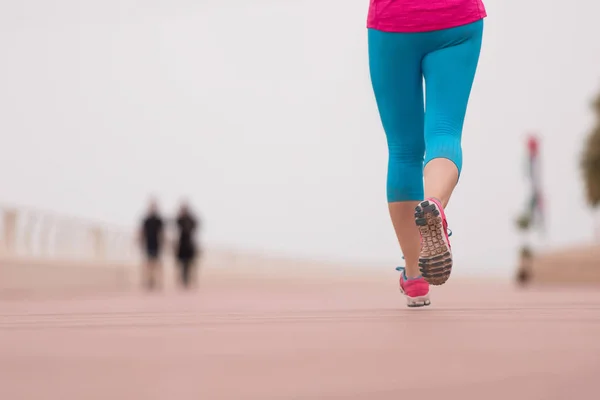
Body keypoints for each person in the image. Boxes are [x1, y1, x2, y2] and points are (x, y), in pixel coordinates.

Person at [367, 1, 487, 307]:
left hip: (393, 22)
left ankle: (414, 276)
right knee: (444, 133)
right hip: (457, 19)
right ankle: (434, 202)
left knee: (404, 150)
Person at [139, 199, 164, 290]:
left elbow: (161, 233)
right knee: (148, 264)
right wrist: (140, 241)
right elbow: (142, 232)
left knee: (157, 264)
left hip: (157, 244)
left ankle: (158, 282)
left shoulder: (159, 220)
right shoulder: (146, 220)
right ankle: (149, 281)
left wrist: (163, 243)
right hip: (148, 244)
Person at [174, 202, 200, 289]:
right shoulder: (179, 220)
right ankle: (183, 281)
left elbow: (196, 226)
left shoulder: (191, 219)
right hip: (182, 245)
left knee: (190, 264)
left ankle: (191, 281)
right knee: (182, 265)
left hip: (189, 245)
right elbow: (176, 227)